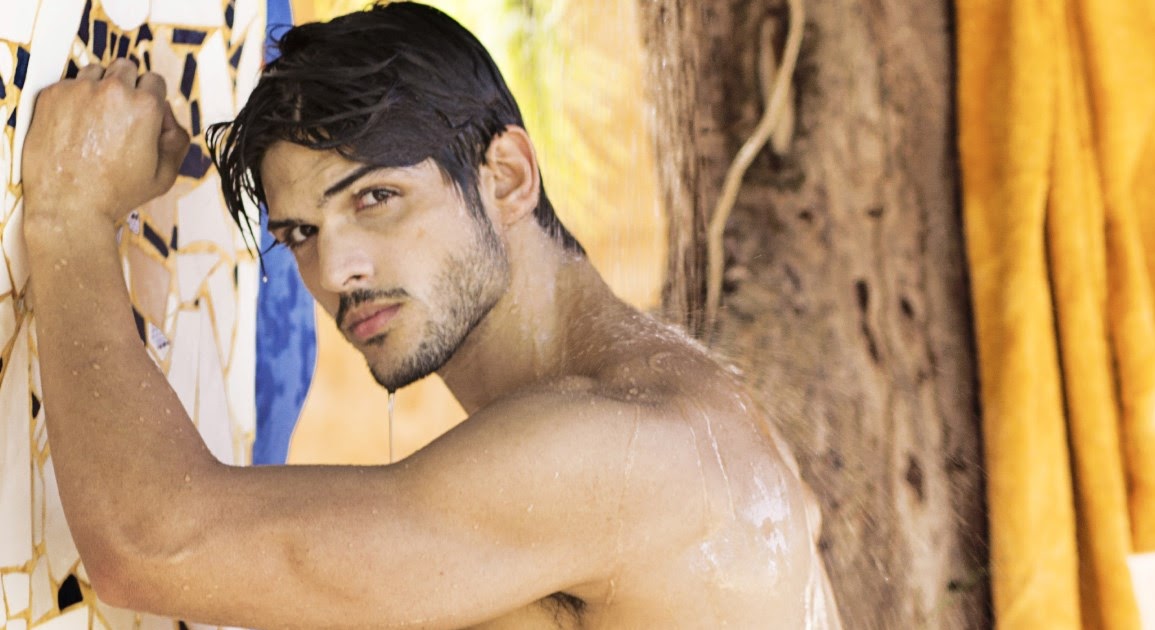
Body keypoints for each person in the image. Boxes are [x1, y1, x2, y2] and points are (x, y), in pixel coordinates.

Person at [21, 3, 841, 628]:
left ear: (507, 176)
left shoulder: (617, 453)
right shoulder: (691, 408)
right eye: (301, 234)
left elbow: (154, 544)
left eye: (376, 198)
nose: (335, 270)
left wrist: (68, 215)